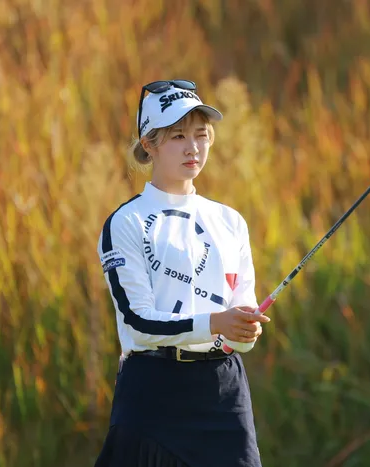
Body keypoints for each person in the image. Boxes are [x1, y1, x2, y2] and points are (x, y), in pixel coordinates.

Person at [93, 79, 271, 467]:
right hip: (152, 396)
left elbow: (241, 313)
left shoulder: (230, 221)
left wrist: (244, 329)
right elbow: (138, 321)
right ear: (149, 144)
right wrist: (216, 322)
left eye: (201, 134)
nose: (193, 147)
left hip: (224, 394)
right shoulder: (126, 222)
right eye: (177, 136)